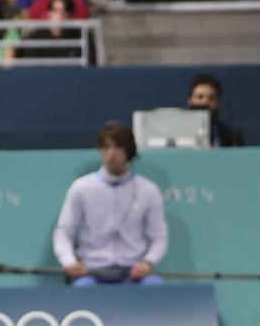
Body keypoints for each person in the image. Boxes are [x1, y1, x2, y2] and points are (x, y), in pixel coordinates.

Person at [54, 123, 166, 286]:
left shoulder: (148, 190)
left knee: (155, 285)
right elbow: (63, 231)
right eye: (106, 147)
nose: (111, 154)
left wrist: (148, 262)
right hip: (91, 271)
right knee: (84, 288)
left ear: (129, 151)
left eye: (118, 148)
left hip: (133, 273)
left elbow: (159, 237)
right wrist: (69, 262)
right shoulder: (81, 187)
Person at [186, 72, 245, 147]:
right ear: (189, 101)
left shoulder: (232, 137)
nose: (205, 102)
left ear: (218, 103)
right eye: (200, 97)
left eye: (211, 98)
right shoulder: (177, 134)